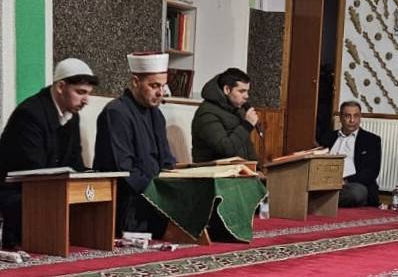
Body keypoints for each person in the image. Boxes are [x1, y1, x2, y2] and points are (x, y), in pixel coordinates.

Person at [0, 58, 98, 248]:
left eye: (88, 93)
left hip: (49, 190)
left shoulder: (72, 116)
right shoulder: (30, 114)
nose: (86, 100)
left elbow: (75, 162)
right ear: (61, 87)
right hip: (18, 192)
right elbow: (33, 170)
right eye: (80, 92)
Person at [93, 52, 176, 237]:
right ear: (136, 82)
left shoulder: (157, 115)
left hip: (154, 198)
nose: (160, 93)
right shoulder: (116, 113)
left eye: (163, 86)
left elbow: (166, 160)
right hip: (128, 205)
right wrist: (158, 193)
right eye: (154, 86)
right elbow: (124, 171)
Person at [318, 100, 382, 207]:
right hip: (326, 183)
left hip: (352, 185)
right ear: (340, 117)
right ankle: (324, 199)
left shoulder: (371, 140)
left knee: (356, 193)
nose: (352, 120)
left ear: (360, 117)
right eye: (347, 116)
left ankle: (319, 200)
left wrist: (345, 181)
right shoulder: (328, 137)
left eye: (356, 116)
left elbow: (371, 171)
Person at [191, 68, 259, 164]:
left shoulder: (236, 110)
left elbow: (247, 147)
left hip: (238, 169)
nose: (246, 96)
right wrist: (247, 125)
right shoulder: (207, 114)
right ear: (227, 90)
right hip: (214, 171)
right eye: (241, 91)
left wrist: (256, 167)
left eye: (247, 91)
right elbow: (225, 149)